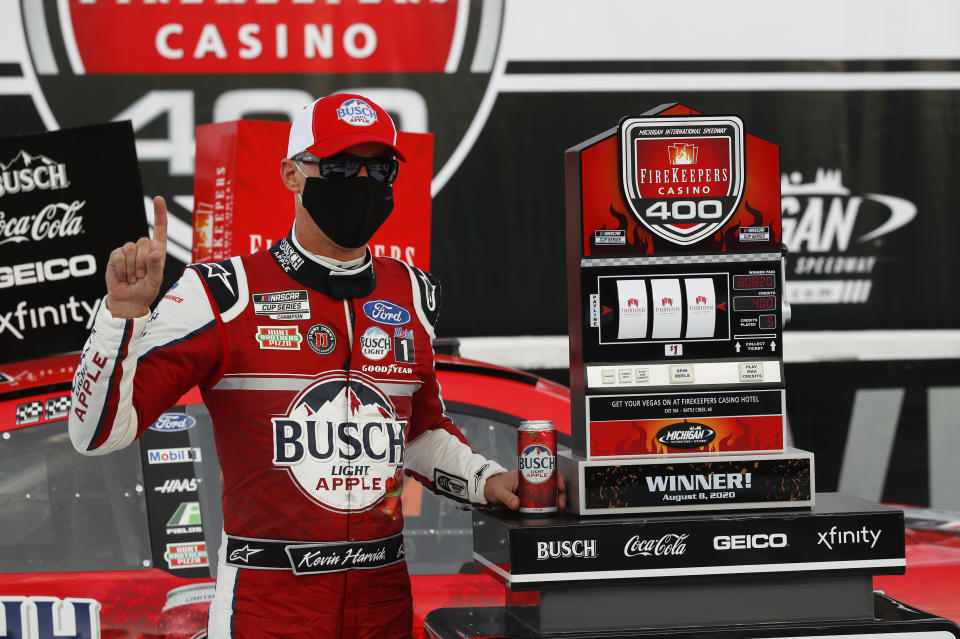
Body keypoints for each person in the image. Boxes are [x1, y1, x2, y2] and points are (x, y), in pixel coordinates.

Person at [68, 93, 565, 639]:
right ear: (292, 174)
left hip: (383, 600)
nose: (361, 180)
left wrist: (488, 481)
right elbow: (97, 434)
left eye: (380, 168)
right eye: (340, 166)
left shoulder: (413, 294)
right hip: (268, 600)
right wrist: (122, 315)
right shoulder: (222, 292)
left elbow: (417, 434)